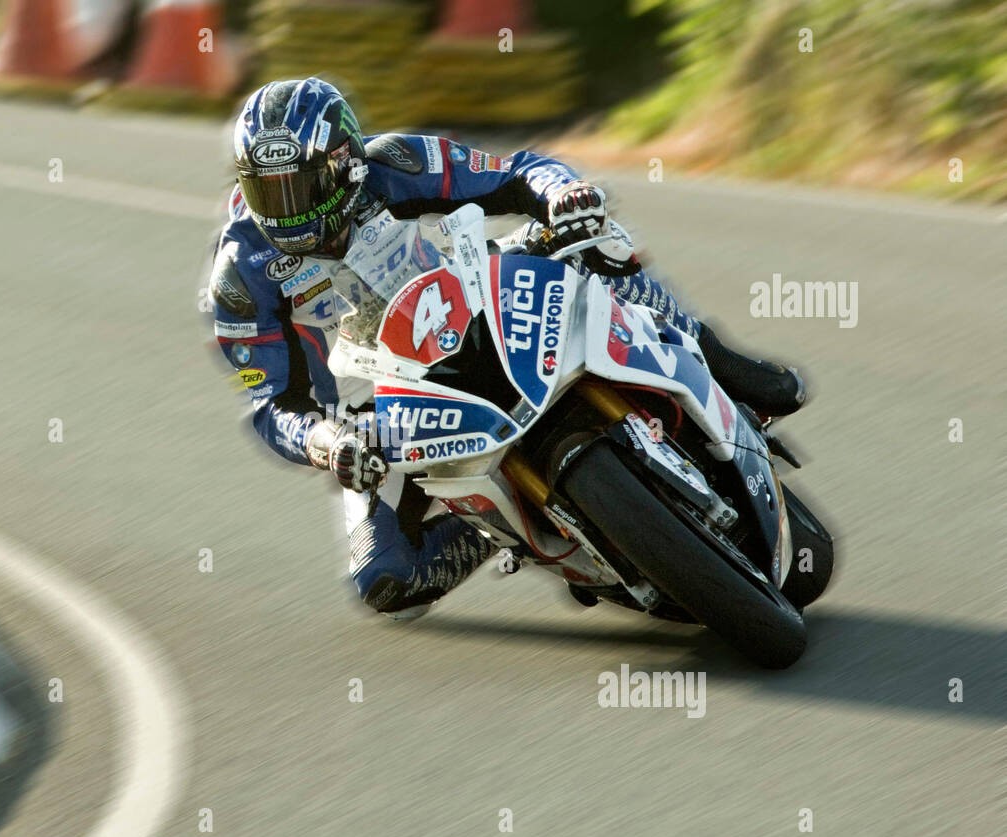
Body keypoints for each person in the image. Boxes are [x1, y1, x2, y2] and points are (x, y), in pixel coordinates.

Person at [207, 77, 805, 618]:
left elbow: (517, 172)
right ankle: (504, 525)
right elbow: (270, 405)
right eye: (267, 193)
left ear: (343, 165)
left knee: (595, 243)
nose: (285, 211)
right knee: (384, 579)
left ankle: (721, 362)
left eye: (298, 187)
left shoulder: (394, 163)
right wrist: (325, 442)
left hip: (477, 302)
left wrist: (563, 196)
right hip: (383, 406)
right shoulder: (241, 275)